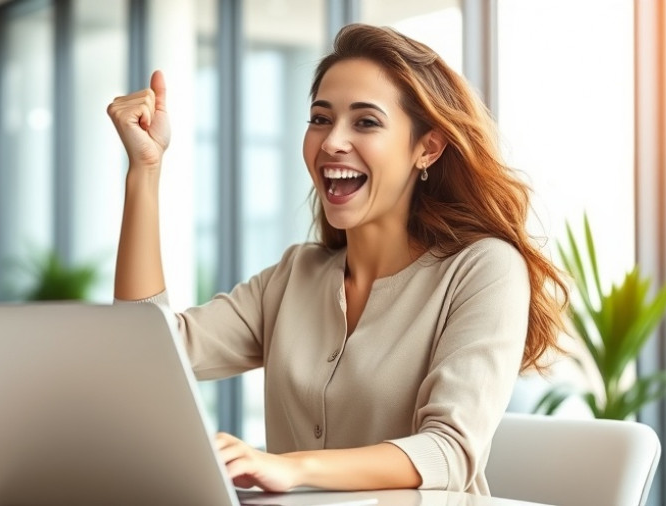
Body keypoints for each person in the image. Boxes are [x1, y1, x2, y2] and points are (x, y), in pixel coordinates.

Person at [106, 23, 567, 496]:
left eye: (366, 122)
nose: (331, 142)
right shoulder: (295, 277)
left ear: (426, 148)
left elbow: (448, 451)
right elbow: (147, 352)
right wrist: (145, 170)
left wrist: (292, 467)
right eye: (321, 118)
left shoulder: (484, 269)